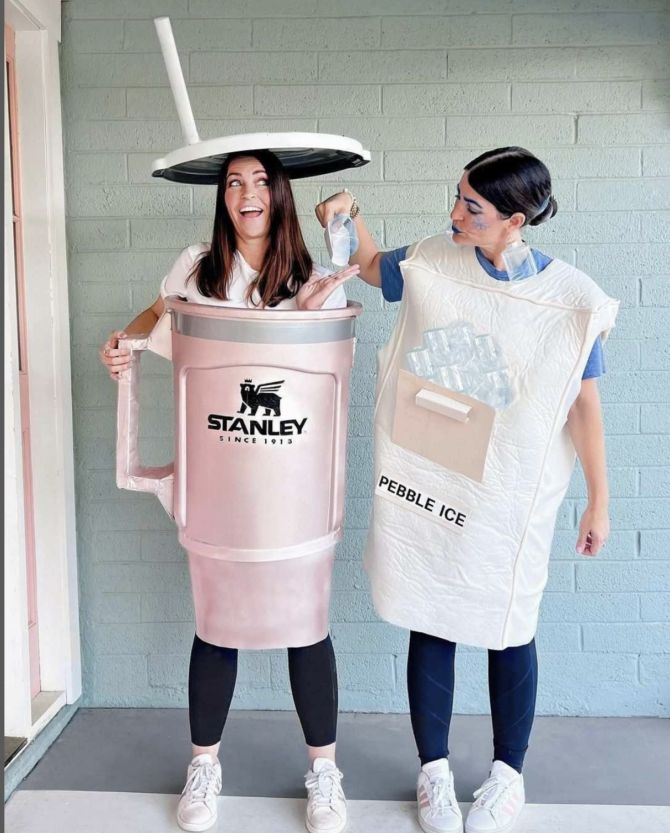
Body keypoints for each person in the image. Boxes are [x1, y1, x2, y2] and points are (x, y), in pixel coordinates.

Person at [315, 147, 617, 833]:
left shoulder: (569, 300)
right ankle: (434, 773)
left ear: (515, 219)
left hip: (510, 485)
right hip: (434, 468)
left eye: (471, 208)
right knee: (432, 604)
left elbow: (584, 405)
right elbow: (367, 266)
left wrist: (601, 496)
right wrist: (348, 214)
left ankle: (508, 774)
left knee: (510, 621)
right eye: (455, 196)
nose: (454, 214)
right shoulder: (432, 258)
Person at [100, 149, 358, 833]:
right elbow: (156, 315)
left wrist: (342, 227)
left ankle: (325, 770)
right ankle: (205, 763)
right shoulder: (195, 265)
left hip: (296, 489)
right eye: (233, 183)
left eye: (260, 182)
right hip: (221, 485)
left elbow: (339, 289)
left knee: (308, 629)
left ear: (279, 194)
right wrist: (122, 343)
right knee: (216, 627)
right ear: (222, 197)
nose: (246, 193)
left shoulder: (309, 273)